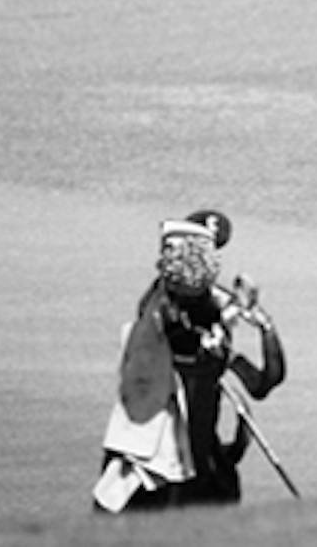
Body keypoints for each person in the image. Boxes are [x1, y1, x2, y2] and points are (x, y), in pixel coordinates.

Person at [92, 214, 286, 512]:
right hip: (157, 459)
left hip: (201, 462)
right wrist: (232, 313)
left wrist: (264, 325)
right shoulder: (158, 314)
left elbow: (264, 382)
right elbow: (184, 326)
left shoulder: (214, 331)